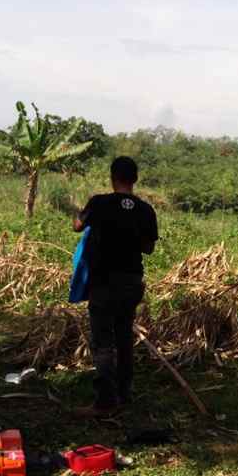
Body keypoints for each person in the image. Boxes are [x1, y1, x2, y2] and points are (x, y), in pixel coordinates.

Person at [72, 156, 159, 417]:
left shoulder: (99, 203)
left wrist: (82, 213)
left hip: (104, 282)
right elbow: (149, 248)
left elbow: (77, 226)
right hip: (131, 281)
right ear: (135, 179)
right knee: (123, 338)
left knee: (103, 343)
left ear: (112, 177)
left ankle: (105, 402)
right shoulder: (146, 210)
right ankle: (123, 394)